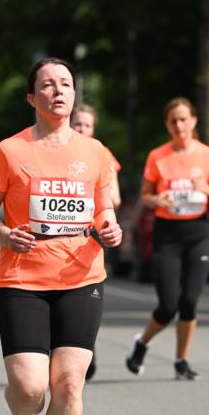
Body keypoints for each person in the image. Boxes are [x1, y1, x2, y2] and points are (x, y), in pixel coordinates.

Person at [0, 58, 121, 415]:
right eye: (47, 85)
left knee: (70, 384)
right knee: (31, 390)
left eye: (66, 84)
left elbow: (103, 211)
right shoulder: (9, 151)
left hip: (82, 276)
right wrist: (5, 234)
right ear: (32, 98)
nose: (58, 91)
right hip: (22, 279)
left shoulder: (94, 152)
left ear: (74, 94)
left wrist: (111, 228)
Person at [125, 97, 209, 380]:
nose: (179, 125)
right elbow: (145, 197)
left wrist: (206, 189)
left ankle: (181, 360)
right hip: (167, 235)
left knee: (189, 302)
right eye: (173, 121)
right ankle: (142, 342)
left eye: (184, 119)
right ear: (167, 125)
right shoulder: (157, 157)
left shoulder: (208, 156)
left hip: (198, 233)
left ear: (194, 121)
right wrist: (157, 198)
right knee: (168, 305)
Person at [71, 102, 122, 382]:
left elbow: (115, 198)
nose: (82, 129)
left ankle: (85, 346)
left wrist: (91, 196)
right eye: (78, 124)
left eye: (87, 125)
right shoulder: (55, 151)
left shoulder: (101, 153)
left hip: (92, 236)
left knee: (84, 297)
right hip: (61, 236)